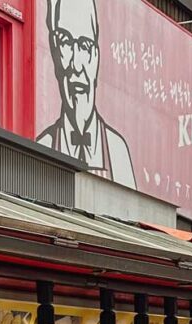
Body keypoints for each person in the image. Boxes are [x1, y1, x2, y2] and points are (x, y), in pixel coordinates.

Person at [37, 0, 136, 188]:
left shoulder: (117, 151)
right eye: (65, 41)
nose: (77, 65)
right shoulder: (43, 145)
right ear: (54, 51)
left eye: (84, 45)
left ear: (96, 58)